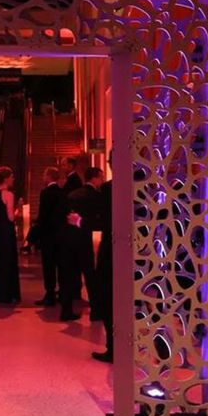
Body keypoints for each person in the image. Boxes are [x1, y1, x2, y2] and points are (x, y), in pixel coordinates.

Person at [66, 167, 105, 319]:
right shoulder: (97, 196)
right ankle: (96, 310)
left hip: (70, 238)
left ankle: (67, 309)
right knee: (89, 274)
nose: (102, 180)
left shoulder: (73, 195)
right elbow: (99, 220)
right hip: (84, 238)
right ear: (94, 178)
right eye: (100, 177)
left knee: (69, 274)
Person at [93, 155, 113, 363]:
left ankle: (113, 347)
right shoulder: (143, 186)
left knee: (108, 297)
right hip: (139, 252)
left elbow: (102, 220)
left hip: (111, 249)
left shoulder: (108, 189)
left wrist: (79, 221)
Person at [0, 166, 21, 304]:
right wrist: (18, 209)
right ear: (6, 178)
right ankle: (9, 293)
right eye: (12, 176)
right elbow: (11, 217)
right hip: (7, 231)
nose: (13, 179)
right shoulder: (8, 194)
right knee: (9, 260)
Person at [35, 167, 65, 306]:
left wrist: (36, 234)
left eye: (44, 175)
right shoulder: (62, 192)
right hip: (60, 235)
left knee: (49, 266)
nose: (43, 177)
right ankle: (63, 293)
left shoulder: (45, 193)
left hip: (48, 235)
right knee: (61, 265)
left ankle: (50, 294)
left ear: (49, 176)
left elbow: (43, 215)